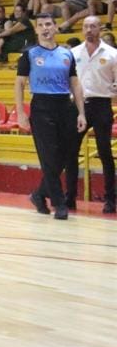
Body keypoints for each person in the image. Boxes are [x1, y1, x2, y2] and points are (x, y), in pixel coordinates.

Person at [16, 13, 87, 219]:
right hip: (41, 107)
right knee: (49, 156)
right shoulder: (29, 54)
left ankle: (39, 194)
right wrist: (20, 112)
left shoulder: (66, 54)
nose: (45, 28)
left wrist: (81, 112)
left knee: (64, 156)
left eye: (48, 24)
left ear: (55, 27)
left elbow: (75, 84)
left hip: (65, 105)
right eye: (40, 25)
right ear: (36, 30)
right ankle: (59, 203)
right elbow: (19, 84)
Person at [63, 16, 116, 213]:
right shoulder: (73, 53)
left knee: (105, 152)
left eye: (93, 26)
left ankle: (110, 199)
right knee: (70, 151)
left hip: (101, 104)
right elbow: (66, 79)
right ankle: (70, 197)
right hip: (77, 105)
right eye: (85, 26)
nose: (89, 30)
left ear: (100, 28)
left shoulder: (112, 54)